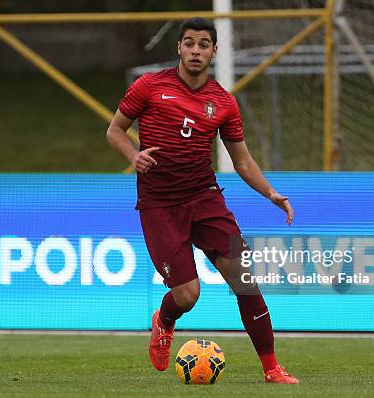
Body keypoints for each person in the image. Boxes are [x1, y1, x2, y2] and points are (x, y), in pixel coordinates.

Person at [106, 17, 298, 384]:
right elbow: (115, 131)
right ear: (179, 48)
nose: (196, 50)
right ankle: (164, 320)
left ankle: (272, 369)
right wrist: (134, 156)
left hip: (204, 198)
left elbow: (242, 159)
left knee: (244, 280)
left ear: (214, 51)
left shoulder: (223, 102)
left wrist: (270, 192)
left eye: (203, 44)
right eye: (189, 43)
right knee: (187, 295)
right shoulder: (149, 87)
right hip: (160, 204)